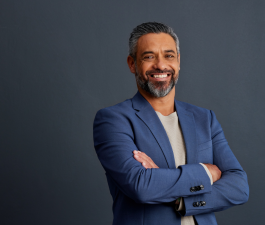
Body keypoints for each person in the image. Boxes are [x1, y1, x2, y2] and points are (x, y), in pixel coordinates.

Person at [93, 22, 249, 225]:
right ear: (132, 64)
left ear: (178, 61)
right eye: (149, 57)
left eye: (169, 56)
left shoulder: (204, 119)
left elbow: (239, 186)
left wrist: (182, 200)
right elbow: (141, 186)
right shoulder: (113, 120)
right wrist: (205, 173)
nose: (161, 65)